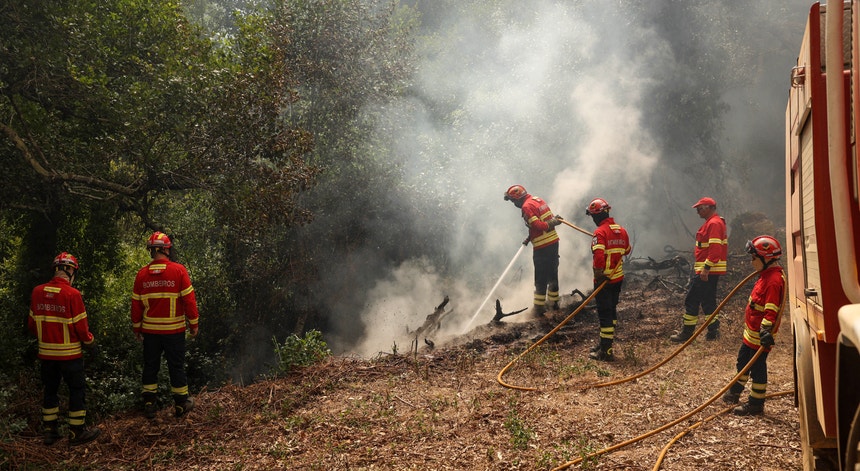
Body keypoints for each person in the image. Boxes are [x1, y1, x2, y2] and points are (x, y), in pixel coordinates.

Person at [27, 252, 101, 446]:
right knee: (76, 390)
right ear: (70, 270)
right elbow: (82, 329)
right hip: (70, 355)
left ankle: (49, 432)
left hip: (46, 355)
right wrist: (91, 344)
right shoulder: (72, 294)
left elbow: (32, 325)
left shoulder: (37, 292)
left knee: (50, 390)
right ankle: (77, 432)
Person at [131, 232, 199, 419]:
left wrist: (137, 328)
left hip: (150, 332)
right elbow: (189, 301)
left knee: (150, 366)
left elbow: (136, 306)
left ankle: (149, 405)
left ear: (151, 251)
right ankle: (181, 404)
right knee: (176, 366)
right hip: (174, 331)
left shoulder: (142, 274)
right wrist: (193, 323)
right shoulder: (179, 271)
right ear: (167, 249)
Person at [722, 235, 786, 415]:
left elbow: (771, 310)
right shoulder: (765, 275)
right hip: (750, 334)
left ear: (766, 258)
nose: (752, 262)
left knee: (757, 370)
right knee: (743, 362)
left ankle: (755, 404)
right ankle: (735, 392)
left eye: (753, 258)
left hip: (760, 336)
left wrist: (765, 331)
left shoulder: (773, 281)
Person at [670, 196, 728, 342]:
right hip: (709, 271)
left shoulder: (714, 223)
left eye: (700, 208)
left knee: (692, 299)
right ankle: (713, 332)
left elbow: (715, 250)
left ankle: (687, 333)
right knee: (708, 301)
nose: (697, 212)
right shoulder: (713, 222)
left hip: (707, 271)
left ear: (709, 208)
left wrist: (706, 268)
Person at [504, 184, 562, 315]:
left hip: (542, 247)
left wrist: (552, 223)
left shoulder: (526, 207)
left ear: (518, 199)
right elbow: (540, 224)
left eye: (513, 201)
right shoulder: (537, 200)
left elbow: (539, 226)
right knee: (553, 275)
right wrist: (530, 237)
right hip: (553, 243)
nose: (514, 204)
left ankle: (539, 309)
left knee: (540, 278)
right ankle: (554, 305)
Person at [585, 198, 631, 361]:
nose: (592, 219)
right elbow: (627, 250)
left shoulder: (600, 232)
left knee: (604, 314)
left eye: (592, 216)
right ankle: (604, 343)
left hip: (604, 280)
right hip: (617, 278)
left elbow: (599, 256)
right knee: (611, 310)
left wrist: (598, 275)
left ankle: (606, 352)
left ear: (597, 215)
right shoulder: (621, 230)